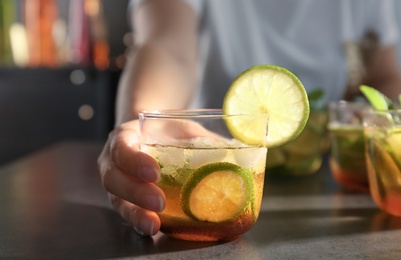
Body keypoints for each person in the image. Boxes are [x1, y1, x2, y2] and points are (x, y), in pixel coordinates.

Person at [97, 0, 401, 236]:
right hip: (208, 165)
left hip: (321, 180)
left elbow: (384, 77)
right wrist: (143, 123)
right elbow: (167, 46)